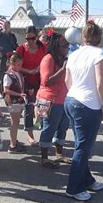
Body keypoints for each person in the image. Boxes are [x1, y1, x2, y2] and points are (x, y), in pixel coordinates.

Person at [64, 20, 103, 201]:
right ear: (98, 37)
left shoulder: (74, 54)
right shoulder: (99, 54)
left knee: (81, 144)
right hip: (88, 104)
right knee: (83, 146)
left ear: (84, 36)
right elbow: (101, 83)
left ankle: (87, 179)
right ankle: (73, 187)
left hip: (71, 100)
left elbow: (67, 80)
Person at [36, 31, 71, 169]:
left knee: (62, 127)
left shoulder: (63, 58)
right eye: (64, 45)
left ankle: (59, 154)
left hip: (63, 100)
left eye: (67, 45)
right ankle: (44, 158)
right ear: (56, 46)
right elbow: (46, 81)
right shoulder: (48, 59)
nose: (66, 47)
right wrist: (63, 69)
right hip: (49, 100)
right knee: (49, 128)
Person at [16, 25, 47, 145]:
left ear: (37, 37)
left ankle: (41, 125)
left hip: (41, 80)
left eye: (32, 38)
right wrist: (28, 71)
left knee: (43, 106)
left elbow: (48, 60)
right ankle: (30, 135)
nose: (29, 41)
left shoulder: (43, 47)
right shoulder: (21, 49)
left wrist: (40, 67)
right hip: (26, 81)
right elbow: (14, 65)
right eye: (27, 38)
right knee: (29, 107)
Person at [2, 53, 27, 154]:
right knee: (14, 123)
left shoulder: (17, 73)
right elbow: (6, 90)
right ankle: (12, 145)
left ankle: (14, 141)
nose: (20, 67)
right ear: (12, 63)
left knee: (16, 122)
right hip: (13, 101)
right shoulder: (8, 75)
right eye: (18, 65)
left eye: (21, 65)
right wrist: (19, 94)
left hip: (18, 100)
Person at [0, 21, 17, 86]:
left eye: (7, 26)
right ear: (2, 26)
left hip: (11, 59)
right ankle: (1, 93)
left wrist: (17, 52)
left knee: (10, 76)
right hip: (2, 59)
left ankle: (8, 92)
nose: (5, 27)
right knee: (1, 76)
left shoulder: (12, 36)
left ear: (9, 26)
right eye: (4, 26)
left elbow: (16, 46)